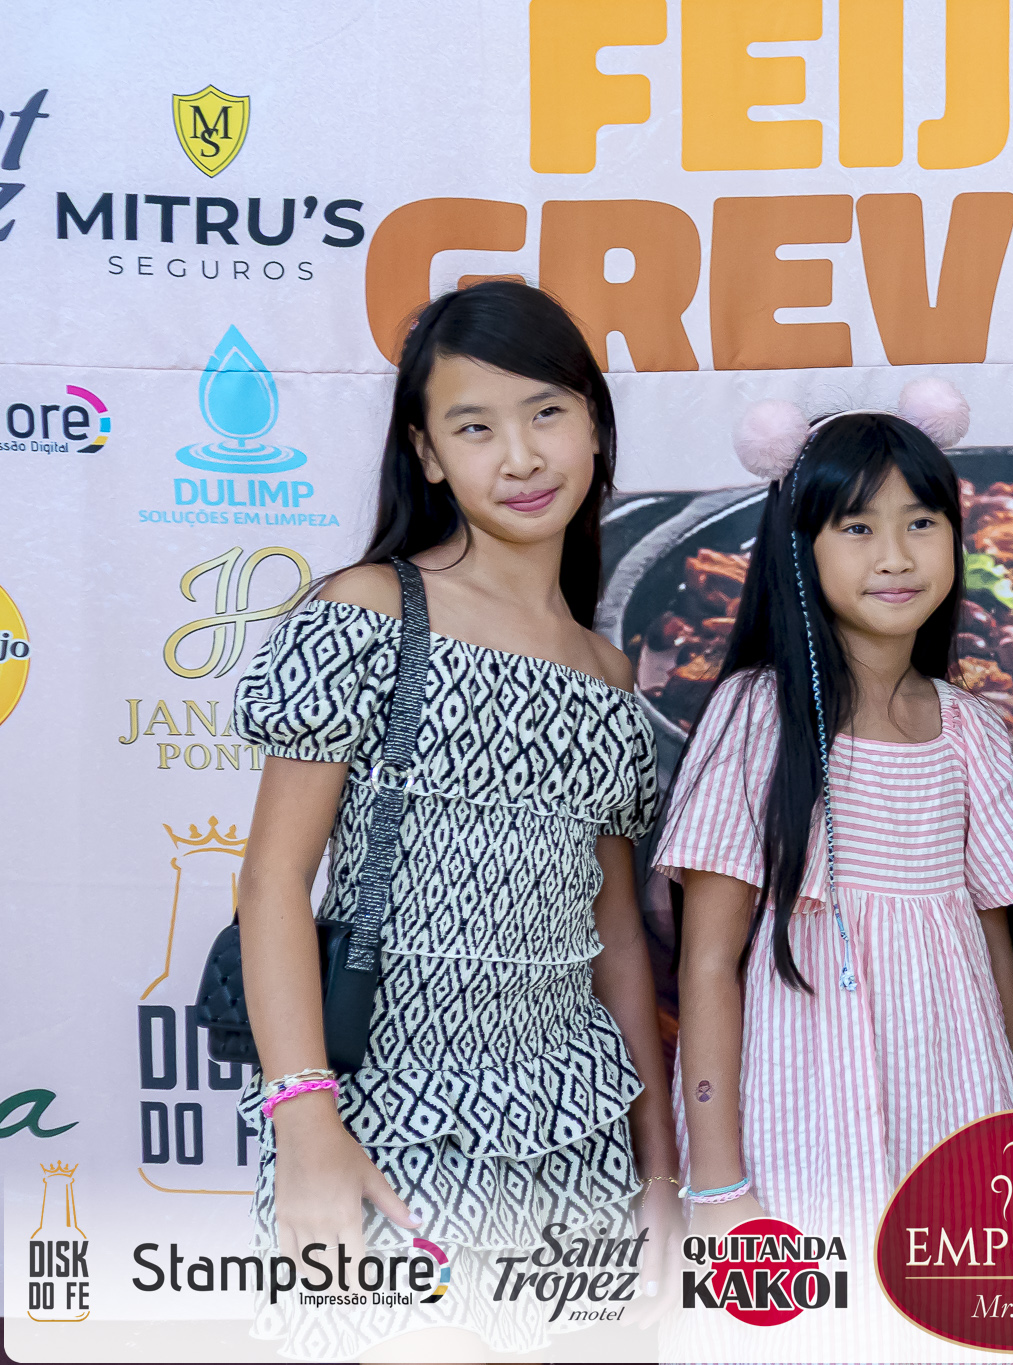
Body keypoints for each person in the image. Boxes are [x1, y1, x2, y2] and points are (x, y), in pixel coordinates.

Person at [231, 280, 680, 1359]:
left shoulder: (608, 671)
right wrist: (307, 1127)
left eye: (546, 413)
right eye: (474, 427)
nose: (520, 457)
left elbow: (618, 941)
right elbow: (271, 882)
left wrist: (659, 1173)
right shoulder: (369, 611)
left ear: (594, 425)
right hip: (388, 1120)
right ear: (427, 455)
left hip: (575, 1129)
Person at [652, 382, 1013, 1245]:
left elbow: (995, 951)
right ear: (801, 547)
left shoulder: (973, 729)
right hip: (799, 1113)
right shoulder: (759, 713)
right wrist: (718, 1183)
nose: (895, 555)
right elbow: (707, 963)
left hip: (954, 1097)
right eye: (857, 527)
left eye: (921, 522)